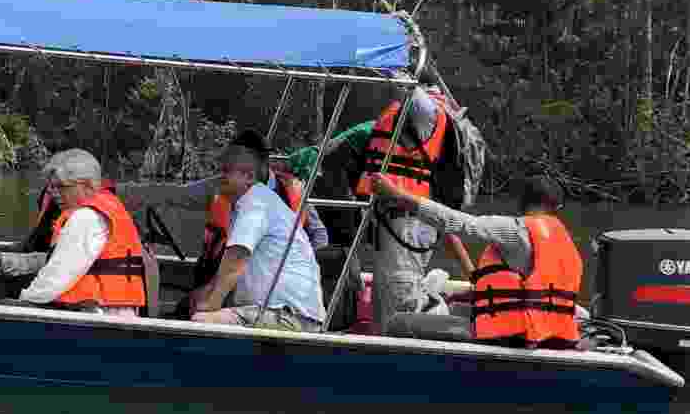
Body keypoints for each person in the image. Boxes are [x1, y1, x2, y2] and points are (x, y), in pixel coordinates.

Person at [116, 131, 322, 317]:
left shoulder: (288, 192)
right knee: (184, 310)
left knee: (201, 315)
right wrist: (120, 191)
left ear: (260, 161)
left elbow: (319, 237)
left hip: (270, 290)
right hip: (223, 278)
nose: (227, 170)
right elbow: (175, 194)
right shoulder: (223, 185)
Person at [377, 176, 585, 348]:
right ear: (557, 207)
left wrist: (398, 196)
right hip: (556, 336)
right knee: (457, 309)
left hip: (512, 337)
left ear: (522, 202)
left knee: (398, 323)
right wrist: (468, 293)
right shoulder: (565, 242)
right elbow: (532, 292)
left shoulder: (517, 230)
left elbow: (460, 223)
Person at [0, 149, 148, 319]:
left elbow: (55, 278)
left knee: (3, 304)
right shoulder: (102, 206)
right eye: (52, 188)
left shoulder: (86, 217)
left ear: (87, 185)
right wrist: (5, 261)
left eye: (61, 187)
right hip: (104, 310)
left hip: (97, 315)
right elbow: (56, 259)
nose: (54, 194)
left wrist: (21, 302)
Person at [188, 140, 327, 332]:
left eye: (227, 171)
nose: (220, 177)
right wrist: (206, 292)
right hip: (279, 312)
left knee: (200, 322)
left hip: (291, 317)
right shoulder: (252, 203)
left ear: (248, 176)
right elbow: (229, 269)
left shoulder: (255, 204)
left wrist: (210, 303)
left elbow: (235, 261)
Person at [347, 88, 449, 336]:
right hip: (397, 222)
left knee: (399, 300)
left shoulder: (427, 112)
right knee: (385, 304)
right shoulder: (406, 114)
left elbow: (412, 92)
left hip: (406, 223)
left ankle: (400, 353)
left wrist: (404, 63)